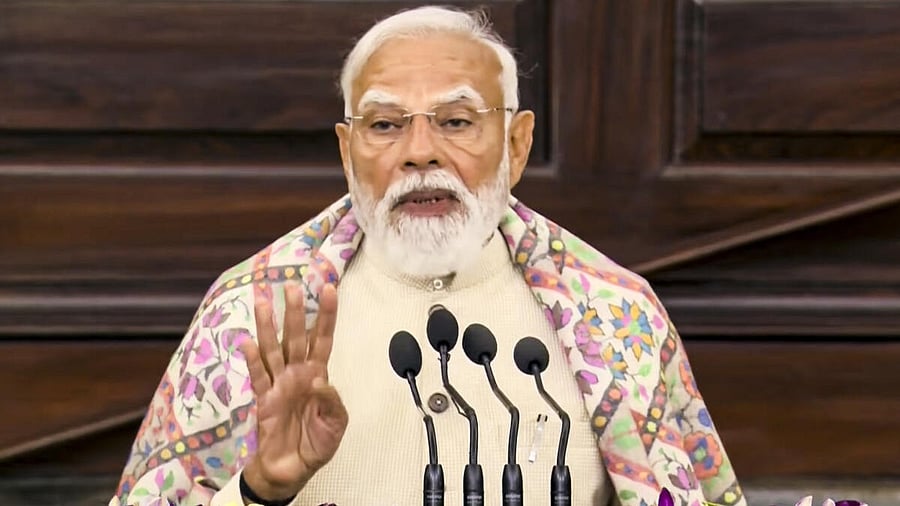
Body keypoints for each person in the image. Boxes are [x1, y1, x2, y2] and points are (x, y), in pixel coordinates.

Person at [111, 5, 746, 506]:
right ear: (346, 150)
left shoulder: (619, 317)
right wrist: (259, 492)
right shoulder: (251, 314)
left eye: (457, 121)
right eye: (385, 125)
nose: (420, 152)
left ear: (517, 145)